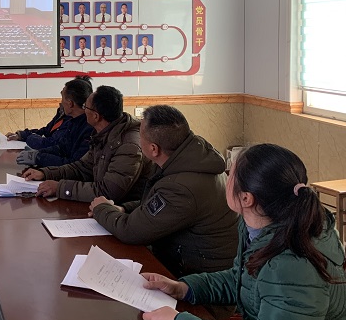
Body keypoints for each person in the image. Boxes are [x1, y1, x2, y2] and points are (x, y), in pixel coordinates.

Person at [141, 144, 346, 320]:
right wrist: (185, 288)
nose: (226, 178)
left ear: (246, 198)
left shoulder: (292, 267)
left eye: (231, 174)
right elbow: (244, 280)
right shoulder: (262, 225)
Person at [89, 105, 238, 278]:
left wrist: (101, 208)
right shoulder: (188, 157)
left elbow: (131, 231)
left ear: (154, 149)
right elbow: (157, 204)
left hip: (200, 279)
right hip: (188, 261)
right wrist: (123, 208)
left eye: (140, 135)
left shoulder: (181, 187)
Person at [22, 85, 151, 203]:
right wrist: (45, 173)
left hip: (123, 212)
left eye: (85, 107)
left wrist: (60, 188)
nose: (83, 110)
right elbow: (82, 167)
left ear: (96, 116)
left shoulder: (129, 146)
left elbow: (108, 192)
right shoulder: (103, 133)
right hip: (103, 209)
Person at [15, 75, 93, 168]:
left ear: (70, 103)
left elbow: (74, 165)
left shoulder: (89, 128)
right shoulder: (74, 121)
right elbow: (61, 148)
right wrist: (38, 153)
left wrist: (38, 158)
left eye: (62, 98)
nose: (61, 102)